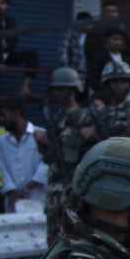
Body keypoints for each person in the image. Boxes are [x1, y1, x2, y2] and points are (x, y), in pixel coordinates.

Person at [0, 103, 49, 259]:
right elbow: (3, 166)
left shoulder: (40, 133)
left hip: (37, 195)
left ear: (17, 113)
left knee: (40, 241)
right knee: (16, 242)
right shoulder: (3, 141)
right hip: (14, 198)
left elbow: (47, 162)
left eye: (4, 115)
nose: (1, 120)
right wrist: (12, 190)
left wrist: (32, 184)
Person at [39, 68, 90, 247]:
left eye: (61, 89)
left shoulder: (85, 116)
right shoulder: (55, 118)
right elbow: (50, 156)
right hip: (56, 187)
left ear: (72, 90)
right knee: (53, 239)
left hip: (77, 187)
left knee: (77, 237)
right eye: (56, 90)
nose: (57, 94)